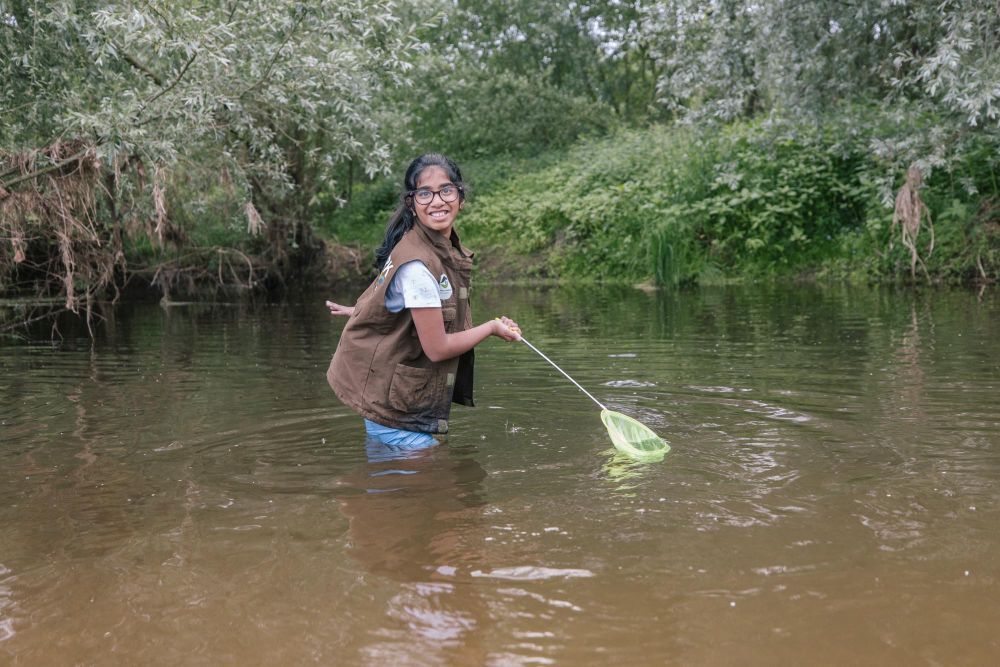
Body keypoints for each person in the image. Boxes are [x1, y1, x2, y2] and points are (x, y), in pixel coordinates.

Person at [326, 153, 521, 450]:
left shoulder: (431, 247)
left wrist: (360, 310)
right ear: (412, 204)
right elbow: (437, 348)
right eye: (425, 193)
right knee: (432, 471)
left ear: (461, 198)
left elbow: (398, 303)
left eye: (446, 190)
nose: (437, 201)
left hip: (390, 398)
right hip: (391, 409)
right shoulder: (418, 265)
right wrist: (491, 328)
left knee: (404, 477)